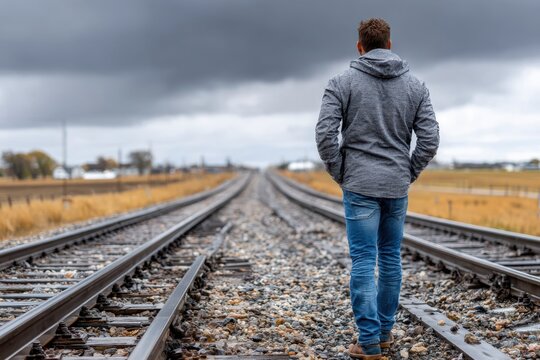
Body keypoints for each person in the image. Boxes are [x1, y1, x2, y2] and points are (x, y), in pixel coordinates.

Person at [315, 18, 439, 359]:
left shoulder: (340, 83)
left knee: (363, 260)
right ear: (389, 43)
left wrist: (342, 173)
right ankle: (383, 335)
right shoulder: (416, 86)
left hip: (359, 185)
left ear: (360, 46)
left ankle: (368, 341)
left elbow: (325, 135)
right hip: (396, 185)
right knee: (389, 259)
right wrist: (407, 172)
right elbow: (430, 139)